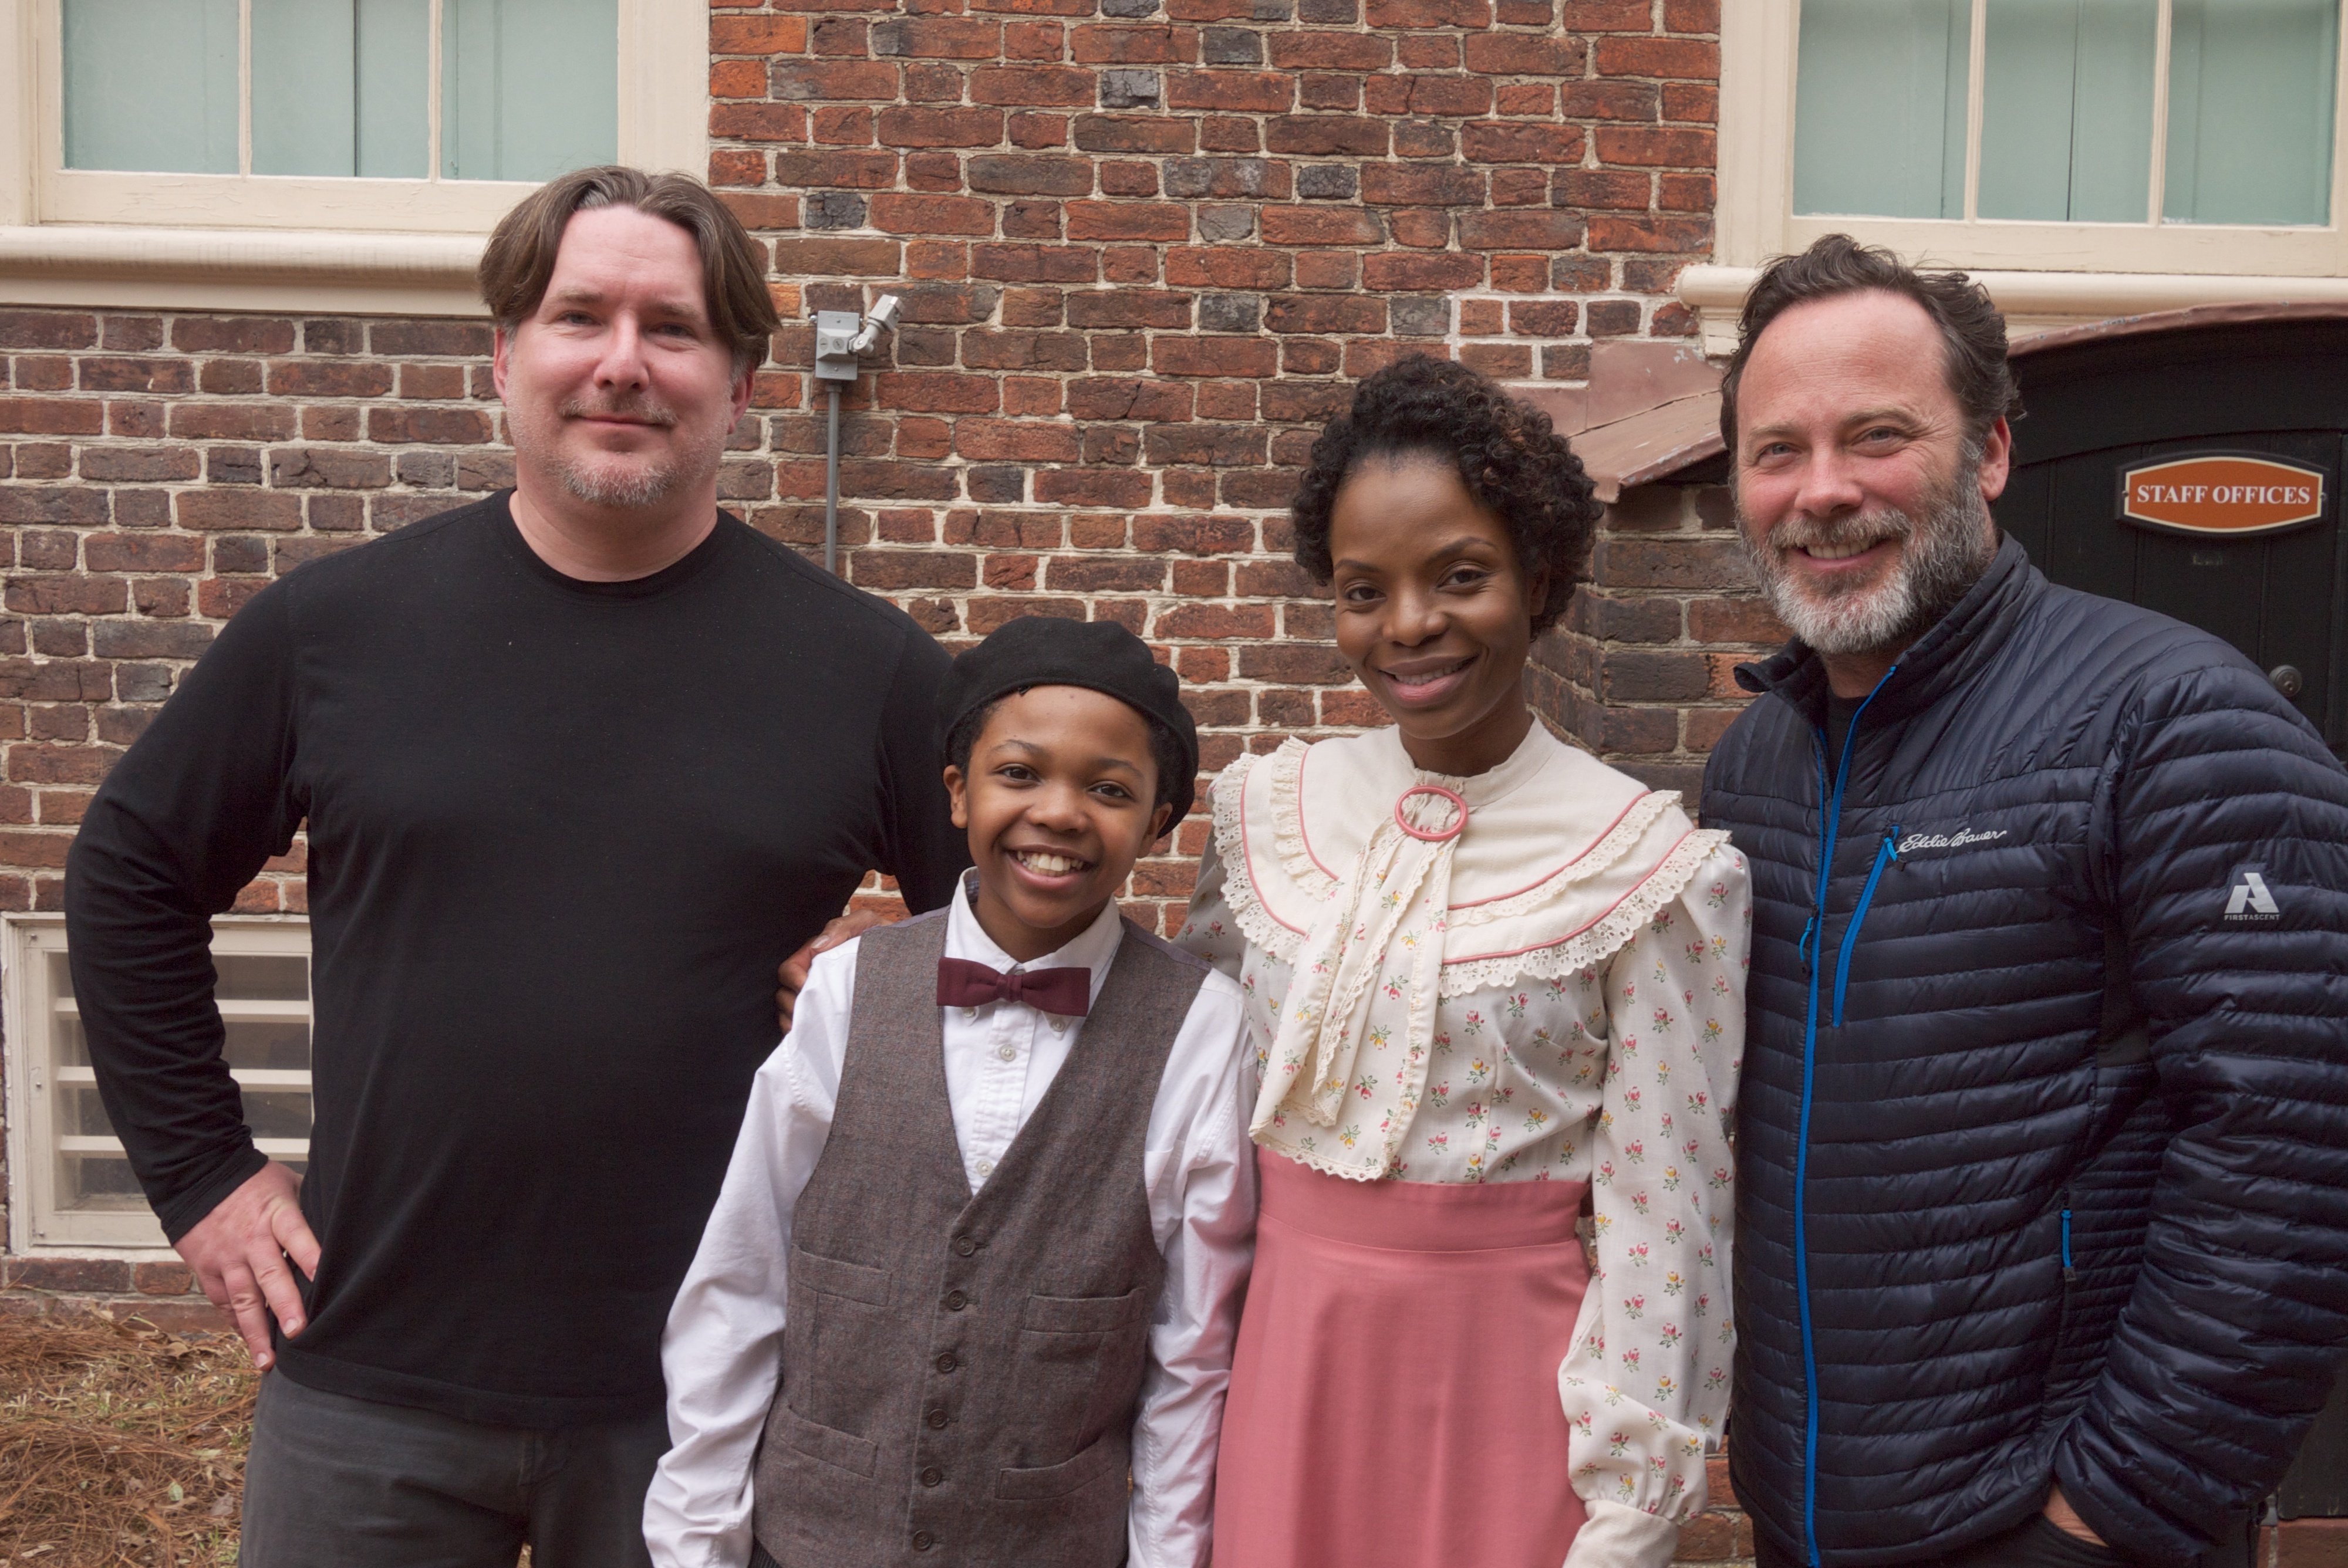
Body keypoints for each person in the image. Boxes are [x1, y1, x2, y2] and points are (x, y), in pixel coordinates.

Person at [62, 166, 969, 1567]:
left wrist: (909, 976)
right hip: (369, 1379)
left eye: (671, 327)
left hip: (712, 1401)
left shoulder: (869, 675)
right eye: (577, 316)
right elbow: (128, 870)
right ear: (503, 357)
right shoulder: (335, 630)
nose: (621, 362)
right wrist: (201, 1176)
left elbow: (1022, 953)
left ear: (740, 383)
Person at [1700, 235, 2348, 1568]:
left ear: (1988, 451)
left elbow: (2291, 1154)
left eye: (1875, 436)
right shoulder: (1748, 763)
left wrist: (2114, 1511)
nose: (1820, 491)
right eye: (1776, 451)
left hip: (2050, 1527)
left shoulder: (2172, 721)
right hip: (1802, 1510)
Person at [1178, 354, 1753, 1568]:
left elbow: (1666, 1206)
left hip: (1508, 1387)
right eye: (1360, 589)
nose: (1407, 627)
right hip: (1281, 1358)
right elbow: (1181, 1107)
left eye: (1457, 576)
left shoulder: (1644, 863)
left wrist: (1631, 1504)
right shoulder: (1266, 815)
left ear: (1538, 577)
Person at [646, 614, 1254, 1568]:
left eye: (1108, 789)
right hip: (805, 1539)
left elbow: (1193, 1351)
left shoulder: (1203, 1029)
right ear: (957, 793)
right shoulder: (847, 991)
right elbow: (744, 1272)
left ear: (1159, 821)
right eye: (1019, 773)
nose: (1058, 812)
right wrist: (696, 1539)